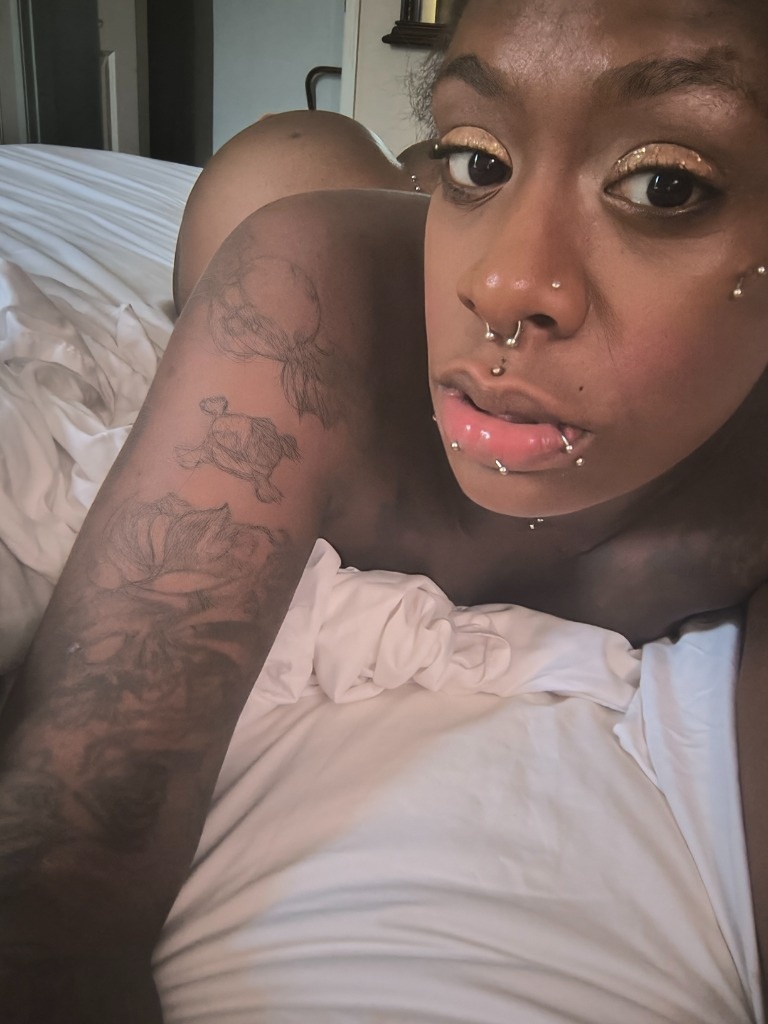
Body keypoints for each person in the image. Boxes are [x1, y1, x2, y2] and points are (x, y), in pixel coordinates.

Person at [1, 0, 768, 1019]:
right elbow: (56, 885)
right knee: (292, 158)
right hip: (299, 201)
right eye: (474, 160)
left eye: (665, 184)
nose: (501, 288)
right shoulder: (306, 295)